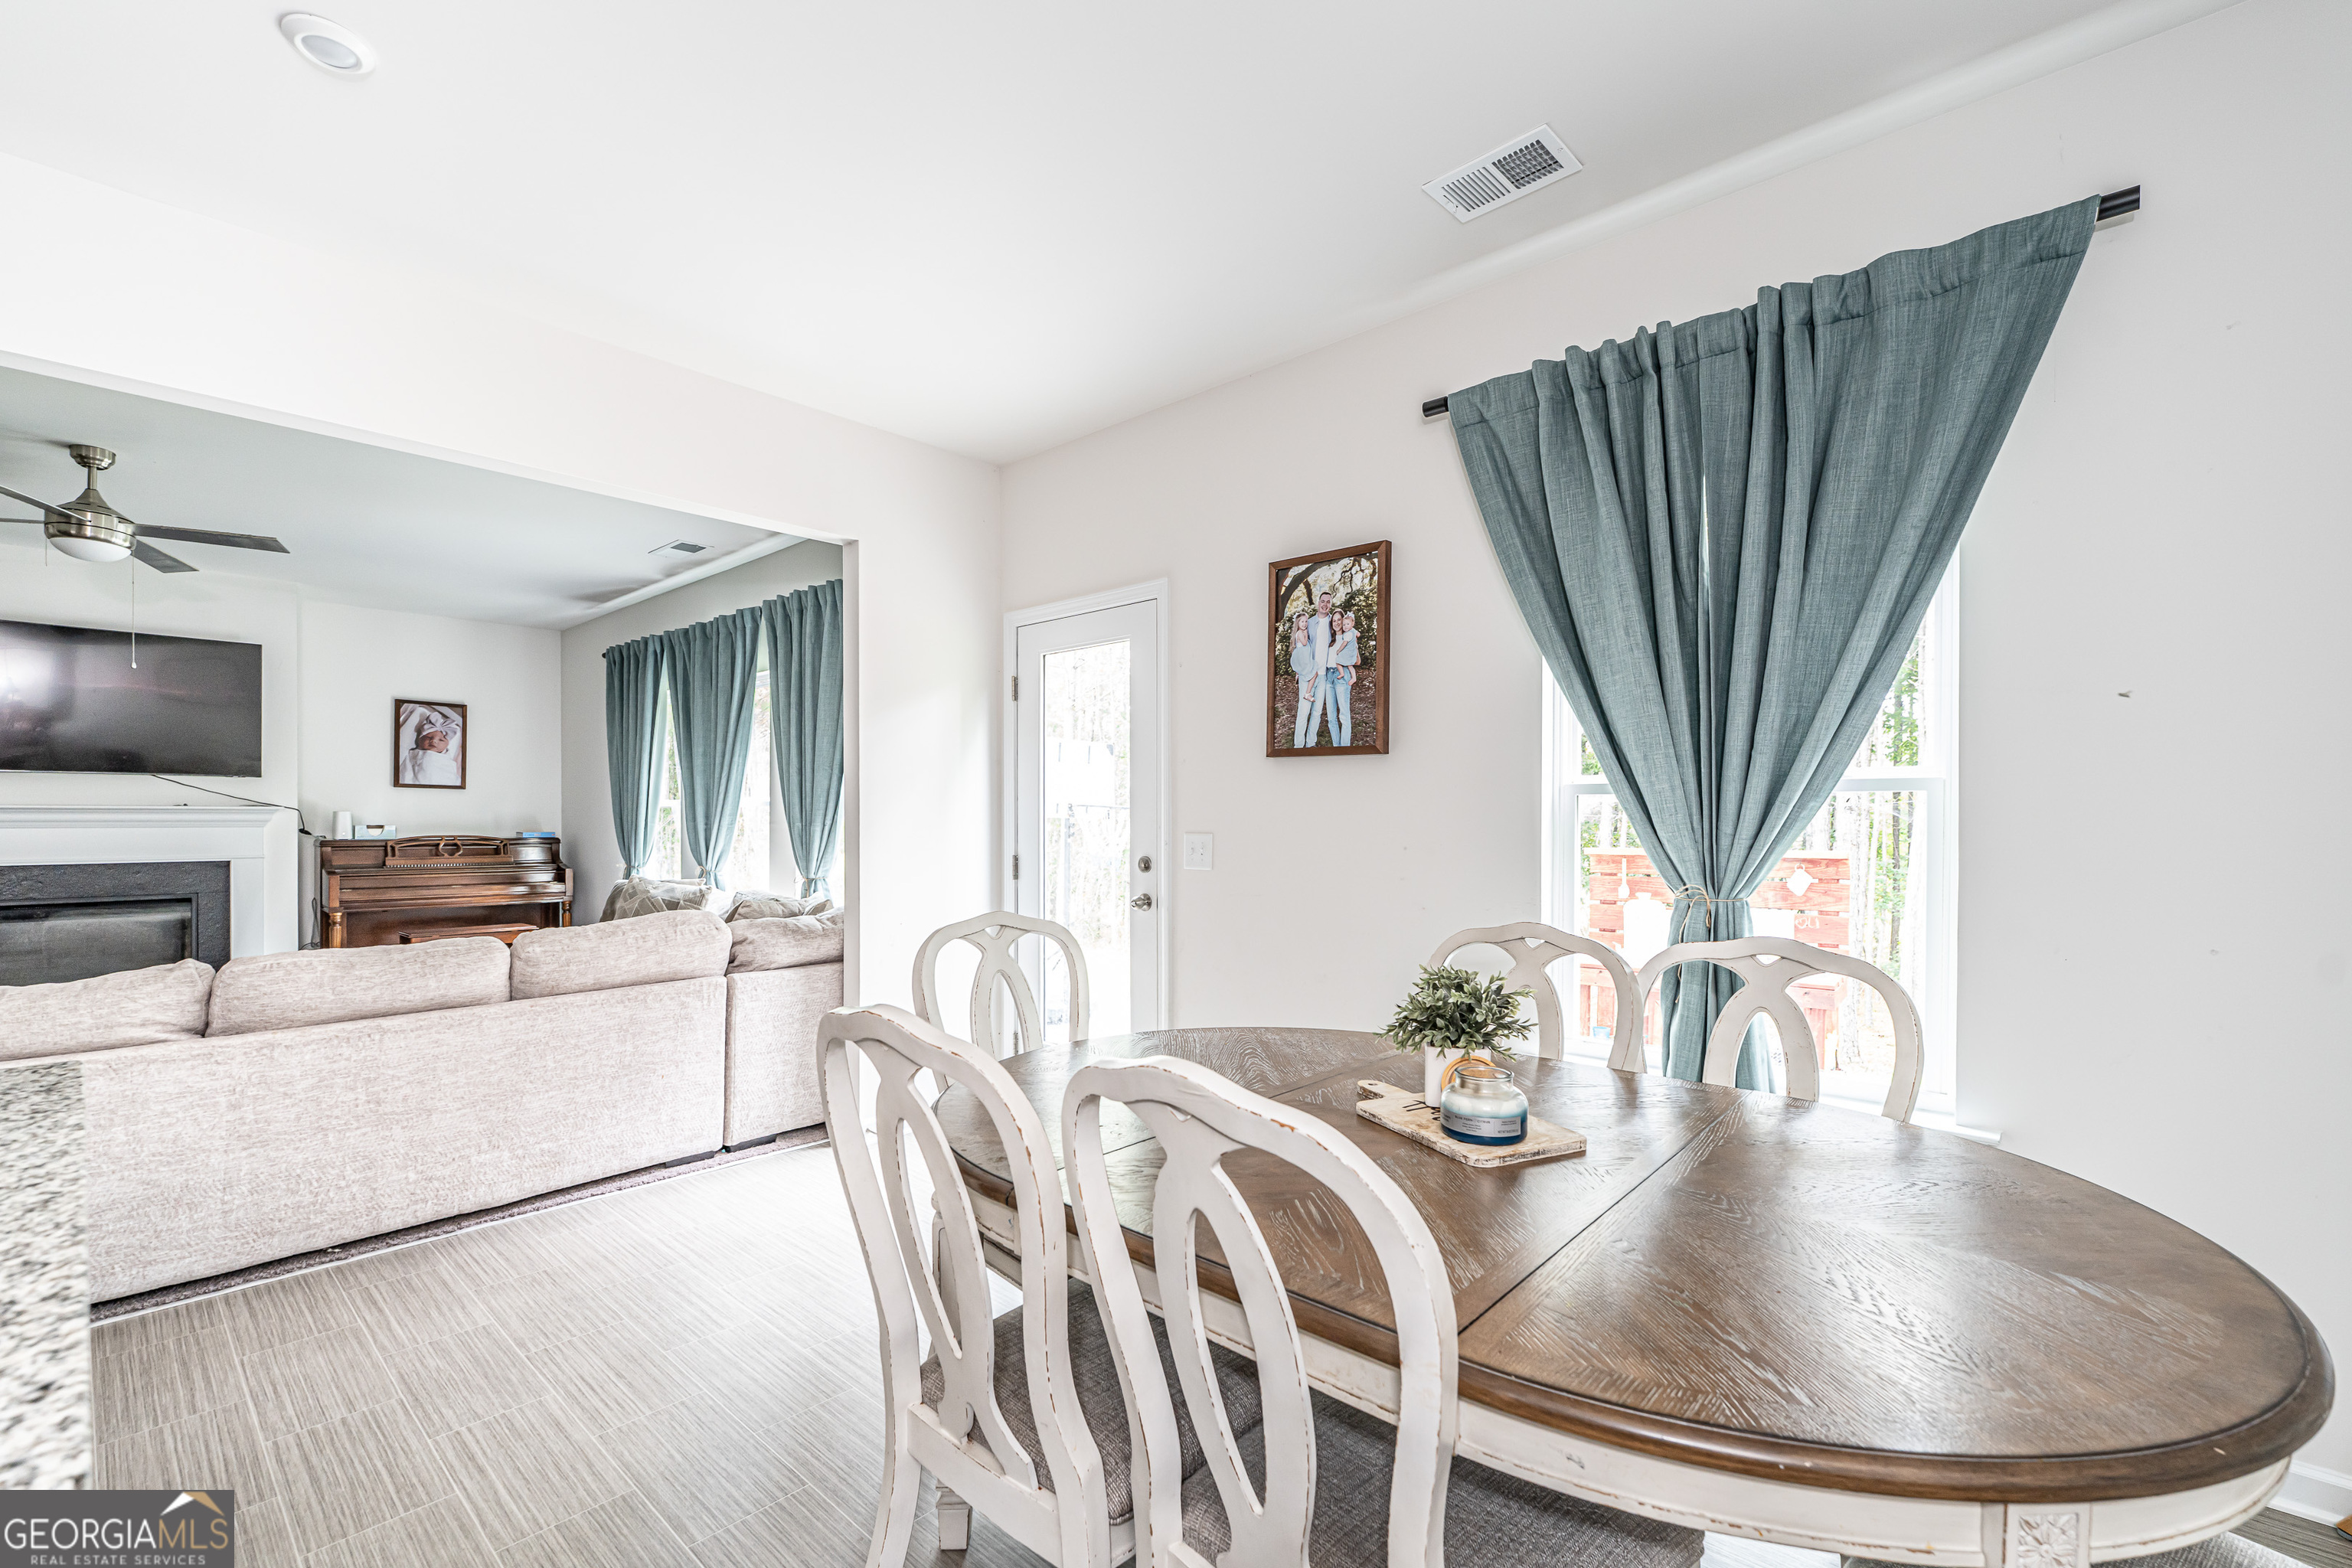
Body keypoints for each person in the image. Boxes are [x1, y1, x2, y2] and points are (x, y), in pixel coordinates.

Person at [398, 704, 464, 786]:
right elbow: (405, 772)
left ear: (447, 746)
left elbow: (453, 777)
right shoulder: (412, 756)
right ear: (419, 740)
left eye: (441, 740)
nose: (434, 741)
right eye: (428, 737)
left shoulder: (448, 761)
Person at [1325, 609, 1359, 746]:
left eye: (1339, 620)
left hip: (1342, 676)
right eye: (1334, 620)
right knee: (1331, 718)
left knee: (1344, 716)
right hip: (1329, 677)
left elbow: (1357, 661)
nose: (1337, 623)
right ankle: (1336, 748)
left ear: (1345, 621)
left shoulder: (1349, 638)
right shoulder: (1329, 640)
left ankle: (1345, 748)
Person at [1288, 612, 1319, 749]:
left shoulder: (1301, 633)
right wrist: (1306, 633)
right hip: (1306, 667)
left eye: (1306, 622)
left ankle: (1307, 743)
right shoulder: (1301, 634)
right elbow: (1305, 644)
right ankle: (1299, 745)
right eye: (1302, 622)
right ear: (1298, 624)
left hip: (1306, 664)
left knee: (1315, 673)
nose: (1305, 624)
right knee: (1303, 711)